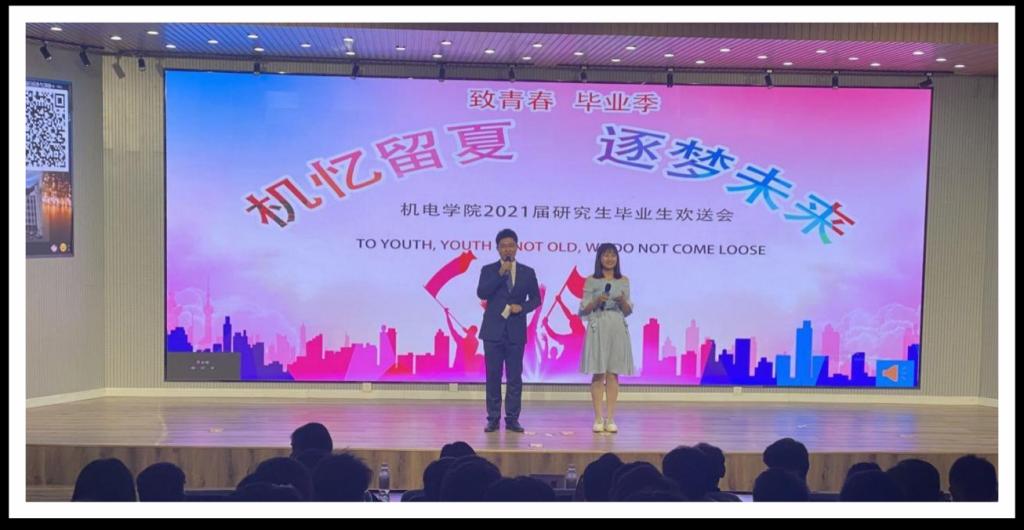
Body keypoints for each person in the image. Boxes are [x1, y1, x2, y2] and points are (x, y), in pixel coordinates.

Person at [476, 228, 541, 433]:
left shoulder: (527, 272)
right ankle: (493, 418)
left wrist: (522, 307)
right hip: (493, 331)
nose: (507, 249)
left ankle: (512, 419)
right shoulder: (489, 270)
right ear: (497, 249)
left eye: (511, 245)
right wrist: (500, 274)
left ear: (517, 247)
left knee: (514, 377)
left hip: (515, 330)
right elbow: (482, 293)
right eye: (503, 246)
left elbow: (536, 300)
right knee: (493, 376)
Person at [578, 243, 634, 433]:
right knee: (598, 371)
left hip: (616, 325)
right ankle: (597, 418)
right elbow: (583, 310)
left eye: (613, 255)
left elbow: (627, 311)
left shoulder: (624, 280)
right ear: (599, 258)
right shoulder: (591, 280)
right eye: (606, 255)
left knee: (613, 373)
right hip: (598, 325)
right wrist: (596, 301)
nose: (610, 259)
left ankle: (610, 418)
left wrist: (623, 301)